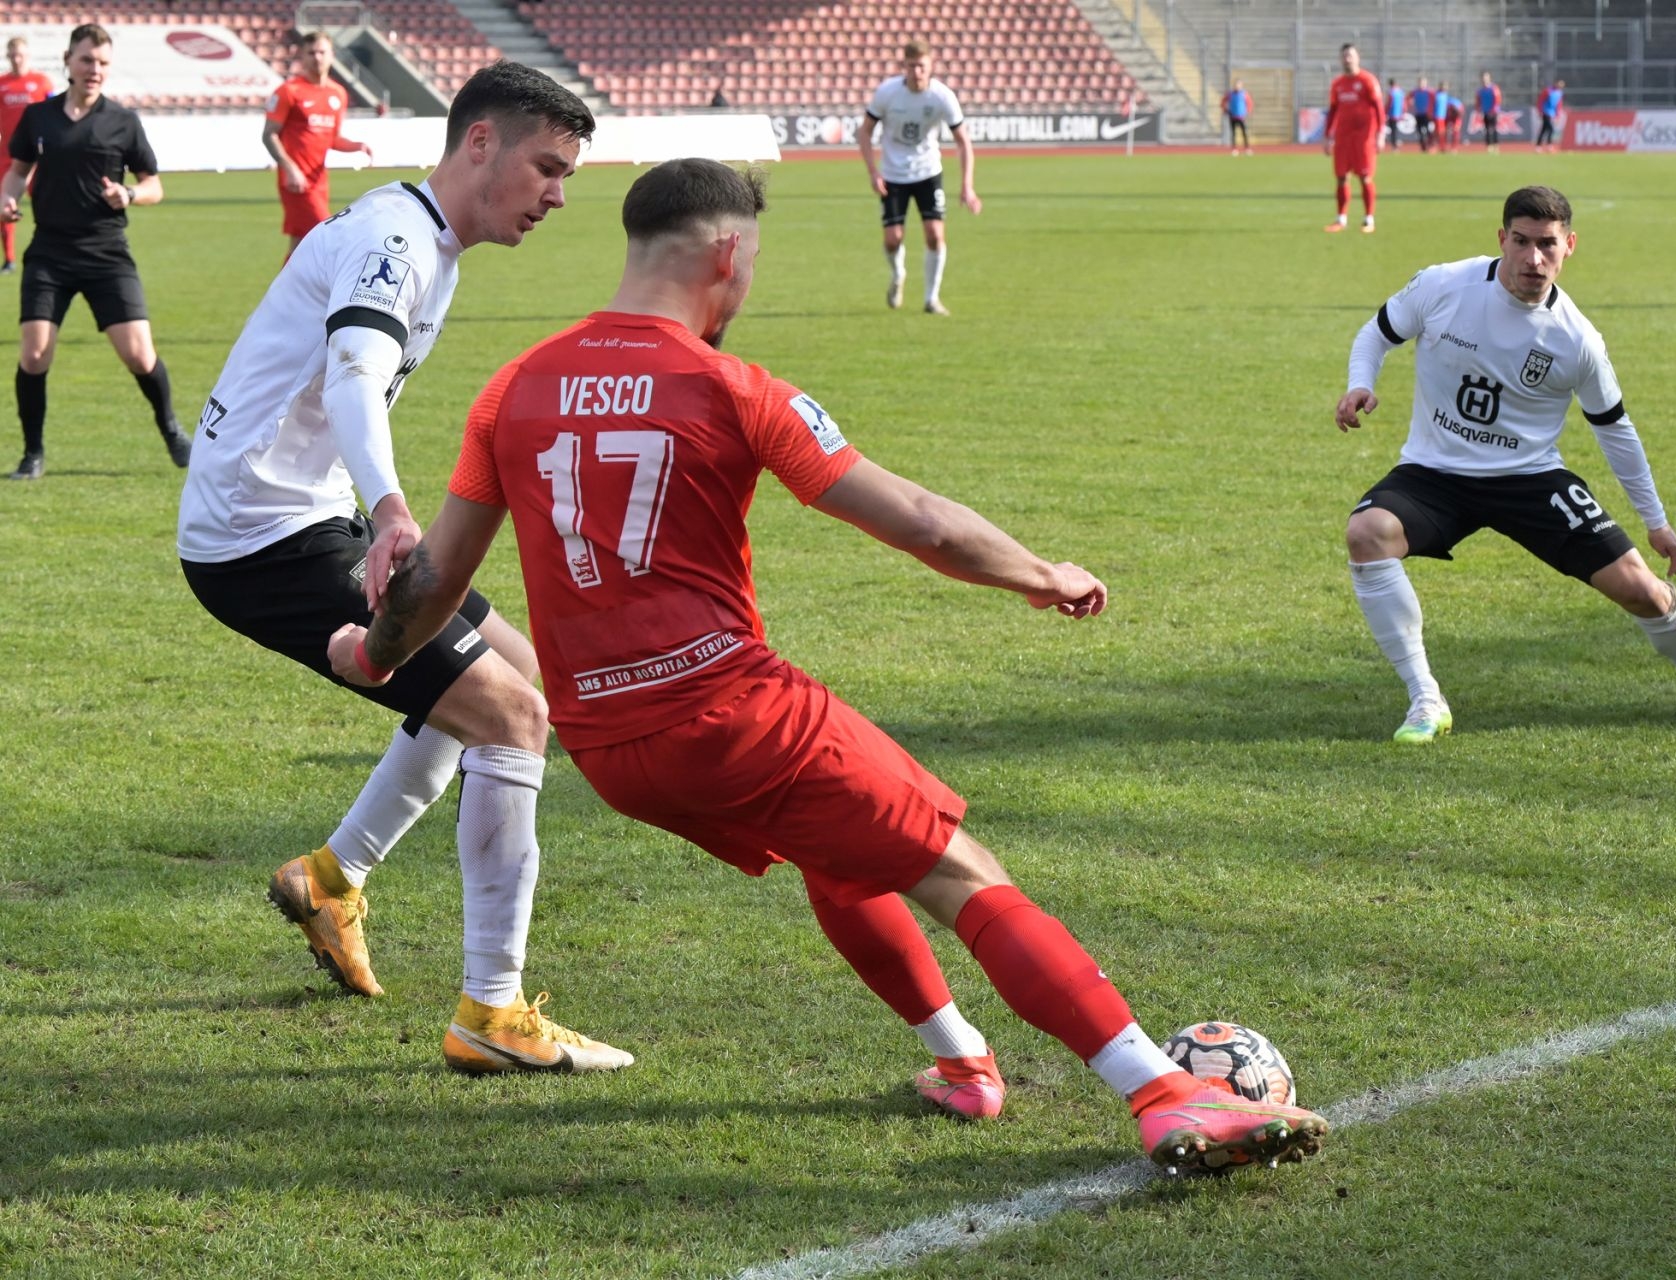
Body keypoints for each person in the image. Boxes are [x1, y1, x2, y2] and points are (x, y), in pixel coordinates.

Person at [326, 157, 1333, 1174]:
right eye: (752, 262)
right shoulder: (732, 387)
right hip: (733, 714)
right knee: (960, 869)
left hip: (609, 747)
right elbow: (925, 522)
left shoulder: (513, 388)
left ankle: (963, 1061)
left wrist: (373, 653)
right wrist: (1043, 573)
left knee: (837, 848)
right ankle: (1163, 1092)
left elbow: (437, 574)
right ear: (728, 252)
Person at [177, 62, 632, 1076]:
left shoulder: (424, 238)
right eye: (547, 168)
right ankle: (492, 1013)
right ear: (481, 143)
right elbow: (354, 374)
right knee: (510, 715)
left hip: (303, 512)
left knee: (524, 682)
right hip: (261, 536)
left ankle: (332, 878)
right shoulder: (395, 243)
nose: (558, 195)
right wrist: (389, 510)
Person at [1334, 185, 1676, 743]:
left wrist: (1656, 522)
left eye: (1548, 245)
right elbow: (1377, 333)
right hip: (1435, 473)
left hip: (1530, 477)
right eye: (1522, 241)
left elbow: (1614, 429)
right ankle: (1425, 698)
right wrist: (1360, 383)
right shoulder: (1443, 285)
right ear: (1502, 239)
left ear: (1569, 246)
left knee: (1643, 590)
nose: (1534, 259)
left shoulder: (1577, 339)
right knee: (1366, 533)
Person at [1, 24, 185, 482]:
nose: (95, 70)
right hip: (50, 252)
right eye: (86, 60)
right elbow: (18, 171)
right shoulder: (39, 117)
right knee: (34, 354)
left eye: (102, 63)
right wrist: (7, 197)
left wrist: (130, 195)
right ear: (68, 61)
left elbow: (154, 185)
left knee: (139, 356)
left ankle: (172, 431)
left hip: (107, 254)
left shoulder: (123, 121)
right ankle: (32, 454)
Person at [857, 39, 980, 316]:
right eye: (911, 66)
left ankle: (931, 299)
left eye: (922, 66)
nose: (917, 72)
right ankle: (898, 274)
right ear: (904, 66)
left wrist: (967, 186)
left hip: (928, 172)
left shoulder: (942, 96)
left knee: (935, 235)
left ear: (931, 66)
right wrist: (873, 171)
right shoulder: (887, 93)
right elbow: (864, 131)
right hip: (893, 175)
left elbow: (963, 141)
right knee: (892, 239)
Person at [264, 31, 373, 261]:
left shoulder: (338, 93)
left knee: (301, 243)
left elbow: (332, 138)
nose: (317, 57)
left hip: (319, 180)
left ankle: (287, 285)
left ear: (332, 55)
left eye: (322, 52)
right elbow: (269, 135)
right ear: (302, 57)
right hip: (296, 180)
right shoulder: (289, 91)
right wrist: (289, 168)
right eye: (311, 53)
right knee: (326, 234)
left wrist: (356, 146)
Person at [0, 37, 53, 273]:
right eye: (12, 55)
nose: (16, 59)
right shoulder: (1, 84)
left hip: (39, 157)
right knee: (5, 206)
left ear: (27, 56)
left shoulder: (41, 82)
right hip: (7, 156)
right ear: (7, 56)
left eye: (20, 54)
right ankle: (9, 259)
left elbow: (55, 112)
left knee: (46, 204)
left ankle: (51, 253)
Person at [1323, 43, 1383, 233]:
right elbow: (1333, 110)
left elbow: (1379, 108)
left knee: (1365, 177)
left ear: (1358, 58)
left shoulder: (1367, 80)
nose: (1347, 59)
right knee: (1341, 177)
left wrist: (1380, 133)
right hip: (1343, 138)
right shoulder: (1337, 84)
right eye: (1344, 56)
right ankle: (1341, 219)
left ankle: (1369, 219)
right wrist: (1328, 136)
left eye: (1350, 55)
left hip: (1364, 138)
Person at [1221, 78, 1251, 154]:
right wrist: (1225, 109)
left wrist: (1247, 111)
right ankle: (1234, 149)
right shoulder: (1230, 94)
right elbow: (1223, 101)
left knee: (1244, 132)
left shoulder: (1244, 94)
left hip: (1241, 116)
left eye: (1239, 84)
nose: (1237, 86)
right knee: (1233, 133)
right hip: (1233, 116)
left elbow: (1249, 103)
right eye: (1236, 84)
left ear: (1241, 85)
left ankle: (1247, 148)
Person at [1475, 71, 1502, 151]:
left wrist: (1495, 110)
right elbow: (1478, 101)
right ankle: (1489, 145)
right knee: (1487, 129)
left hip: (1493, 112)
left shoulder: (1494, 88)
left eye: (1486, 77)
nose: (1485, 79)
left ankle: (1496, 144)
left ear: (1489, 78)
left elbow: (1498, 100)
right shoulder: (1480, 90)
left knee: (1494, 128)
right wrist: (1478, 110)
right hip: (1485, 112)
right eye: (1483, 77)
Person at [1535, 79, 1565, 152]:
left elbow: (1558, 104)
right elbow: (1540, 101)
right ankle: (1549, 145)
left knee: (1544, 129)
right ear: (1556, 84)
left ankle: (1538, 146)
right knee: (1551, 129)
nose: (1560, 86)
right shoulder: (1548, 91)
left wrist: (1557, 115)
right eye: (1559, 84)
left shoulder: (1559, 93)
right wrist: (1540, 111)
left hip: (1552, 113)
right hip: (1546, 112)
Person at [1409, 76, 1435, 152]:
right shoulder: (1415, 91)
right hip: (1418, 114)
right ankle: (1423, 146)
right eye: (1420, 82)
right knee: (1419, 130)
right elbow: (1408, 98)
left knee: (1428, 130)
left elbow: (1435, 101)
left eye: (1423, 82)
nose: (1421, 84)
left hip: (1427, 114)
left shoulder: (1430, 92)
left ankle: (1430, 145)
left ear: (1426, 83)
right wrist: (1411, 104)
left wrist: (1431, 111)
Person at [1440, 81, 1465, 151]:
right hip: (1446, 117)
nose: (1444, 88)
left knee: (1456, 131)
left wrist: (1458, 114)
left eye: (1446, 87)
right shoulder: (1439, 96)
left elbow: (1461, 111)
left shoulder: (1454, 101)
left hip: (1456, 117)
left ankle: (1454, 148)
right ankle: (1443, 147)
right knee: (1443, 132)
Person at [1385, 78, 1405, 151]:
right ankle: (1396, 142)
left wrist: (1385, 112)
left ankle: (1394, 145)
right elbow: (1403, 103)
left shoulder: (1391, 92)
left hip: (1392, 114)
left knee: (1393, 130)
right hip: (1398, 113)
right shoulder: (1400, 91)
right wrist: (1403, 112)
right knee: (1395, 129)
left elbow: (1389, 104)